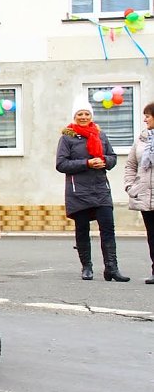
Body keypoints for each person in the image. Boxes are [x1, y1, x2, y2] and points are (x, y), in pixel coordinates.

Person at [55, 95, 129, 282]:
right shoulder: (67, 137)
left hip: (100, 189)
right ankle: (86, 267)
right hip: (78, 191)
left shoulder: (100, 135)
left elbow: (112, 157)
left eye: (87, 113)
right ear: (75, 116)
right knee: (82, 230)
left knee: (108, 228)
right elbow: (61, 164)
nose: (83, 117)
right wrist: (87, 163)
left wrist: (103, 161)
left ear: (91, 116)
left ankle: (111, 268)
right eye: (80, 114)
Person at [124, 101, 154, 284]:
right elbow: (130, 165)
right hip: (144, 194)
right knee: (152, 235)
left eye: (148, 116)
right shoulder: (141, 140)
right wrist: (130, 186)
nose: (145, 119)